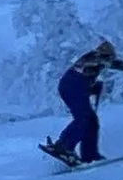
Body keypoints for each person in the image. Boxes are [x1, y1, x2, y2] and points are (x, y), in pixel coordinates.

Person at [46, 41, 118, 169]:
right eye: (110, 57)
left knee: (91, 121)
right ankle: (65, 146)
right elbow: (114, 64)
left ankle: (89, 154)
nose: (110, 60)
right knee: (83, 118)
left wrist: (93, 87)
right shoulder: (94, 56)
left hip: (74, 87)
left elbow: (86, 74)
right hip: (72, 87)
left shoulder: (94, 63)